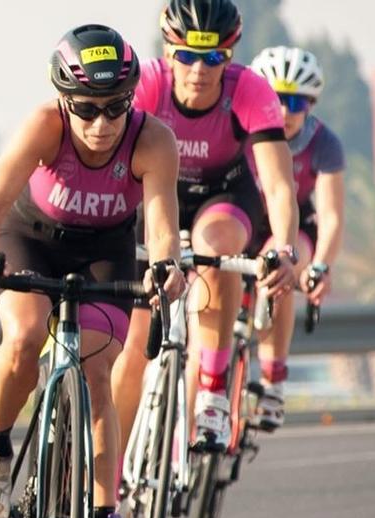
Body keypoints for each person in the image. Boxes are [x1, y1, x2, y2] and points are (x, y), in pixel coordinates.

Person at [0, 24, 185, 518]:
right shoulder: (45, 125)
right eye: (85, 108)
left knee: (96, 372)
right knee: (24, 334)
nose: (100, 124)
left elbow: (162, 228)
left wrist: (166, 268)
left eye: (115, 107)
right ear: (65, 101)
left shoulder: (153, 140)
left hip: (105, 251)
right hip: (30, 238)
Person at [112, 0, 299, 456]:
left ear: (230, 55)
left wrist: (285, 248)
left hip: (223, 195)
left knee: (215, 249)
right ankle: (109, 476)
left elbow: (278, 186)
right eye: (188, 56)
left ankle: (213, 393)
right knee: (134, 346)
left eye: (214, 57)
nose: (200, 70)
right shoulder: (148, 84)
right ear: (168, 51)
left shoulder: (249, 90)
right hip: (157, 197)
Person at [246, 45, 345, 430]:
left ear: (311, 104)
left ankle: (273, 381)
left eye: (296, 102)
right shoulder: (242, 130)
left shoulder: (324, 143)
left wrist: (321, 265)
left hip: (293, 230)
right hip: (241, 220)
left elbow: (332, 215)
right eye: (275, 100)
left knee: (280, 268)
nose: (285, 112)